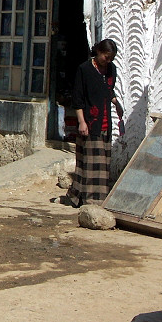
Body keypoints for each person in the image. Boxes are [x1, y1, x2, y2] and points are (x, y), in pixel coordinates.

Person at [66, 38, 124, 207]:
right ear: (98, 52)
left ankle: (99, 199)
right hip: (90, 123)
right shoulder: (84, 69)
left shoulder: (111, 69)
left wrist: (116, 104)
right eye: (106, 57)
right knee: (89, 164)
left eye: (111, 58)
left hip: (105, 123)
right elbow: (78, 99)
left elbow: (108, 90)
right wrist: (81, 122)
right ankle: (88, 200)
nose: (108, 61)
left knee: (102, 165)